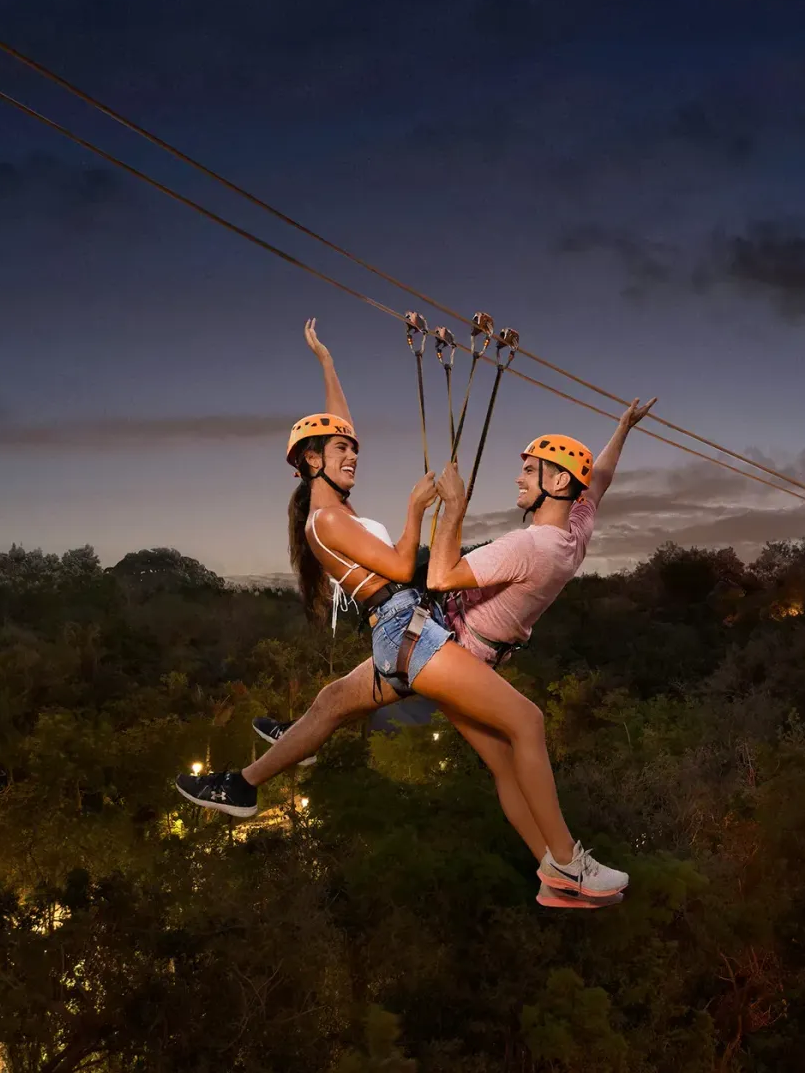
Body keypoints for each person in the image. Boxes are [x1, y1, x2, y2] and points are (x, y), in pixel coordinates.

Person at [176, 319, 631, 907]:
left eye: (351, 449)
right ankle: (568, 864)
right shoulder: (330, 519)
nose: (352, 456)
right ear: (311, 461)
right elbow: (398, 567)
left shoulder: (335, 504)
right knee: (528, 726)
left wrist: (327, 363)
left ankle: (243, 783)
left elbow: (340, 425)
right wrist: (423, 510)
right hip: (410, 631)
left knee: (334, 705)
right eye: (340, 451)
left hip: (413, 629)